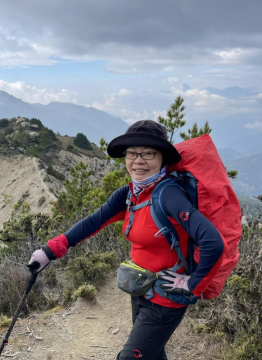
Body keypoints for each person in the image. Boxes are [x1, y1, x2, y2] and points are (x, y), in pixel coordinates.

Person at [29, 120, 226, 360]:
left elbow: (213, 242)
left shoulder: (169, 195)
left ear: (162, 157)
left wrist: (192, 284)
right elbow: (93, 222)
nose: (138, 160)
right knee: (152, 353)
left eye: (148, 153)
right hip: (140, 288)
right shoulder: (130, 194)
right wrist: (50, 251)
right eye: (132, 153)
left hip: (166, 298)